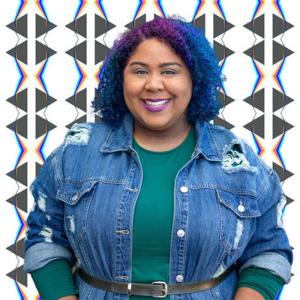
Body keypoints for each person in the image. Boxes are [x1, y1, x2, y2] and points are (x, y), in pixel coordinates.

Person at [23, 16, 293, 300]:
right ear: (121, 78)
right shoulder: (76, 151)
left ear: (194, 78)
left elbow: (268, 249)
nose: (153, 84)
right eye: (139, 71)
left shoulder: (237, 160)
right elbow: (45, 237)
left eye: (169, 71)